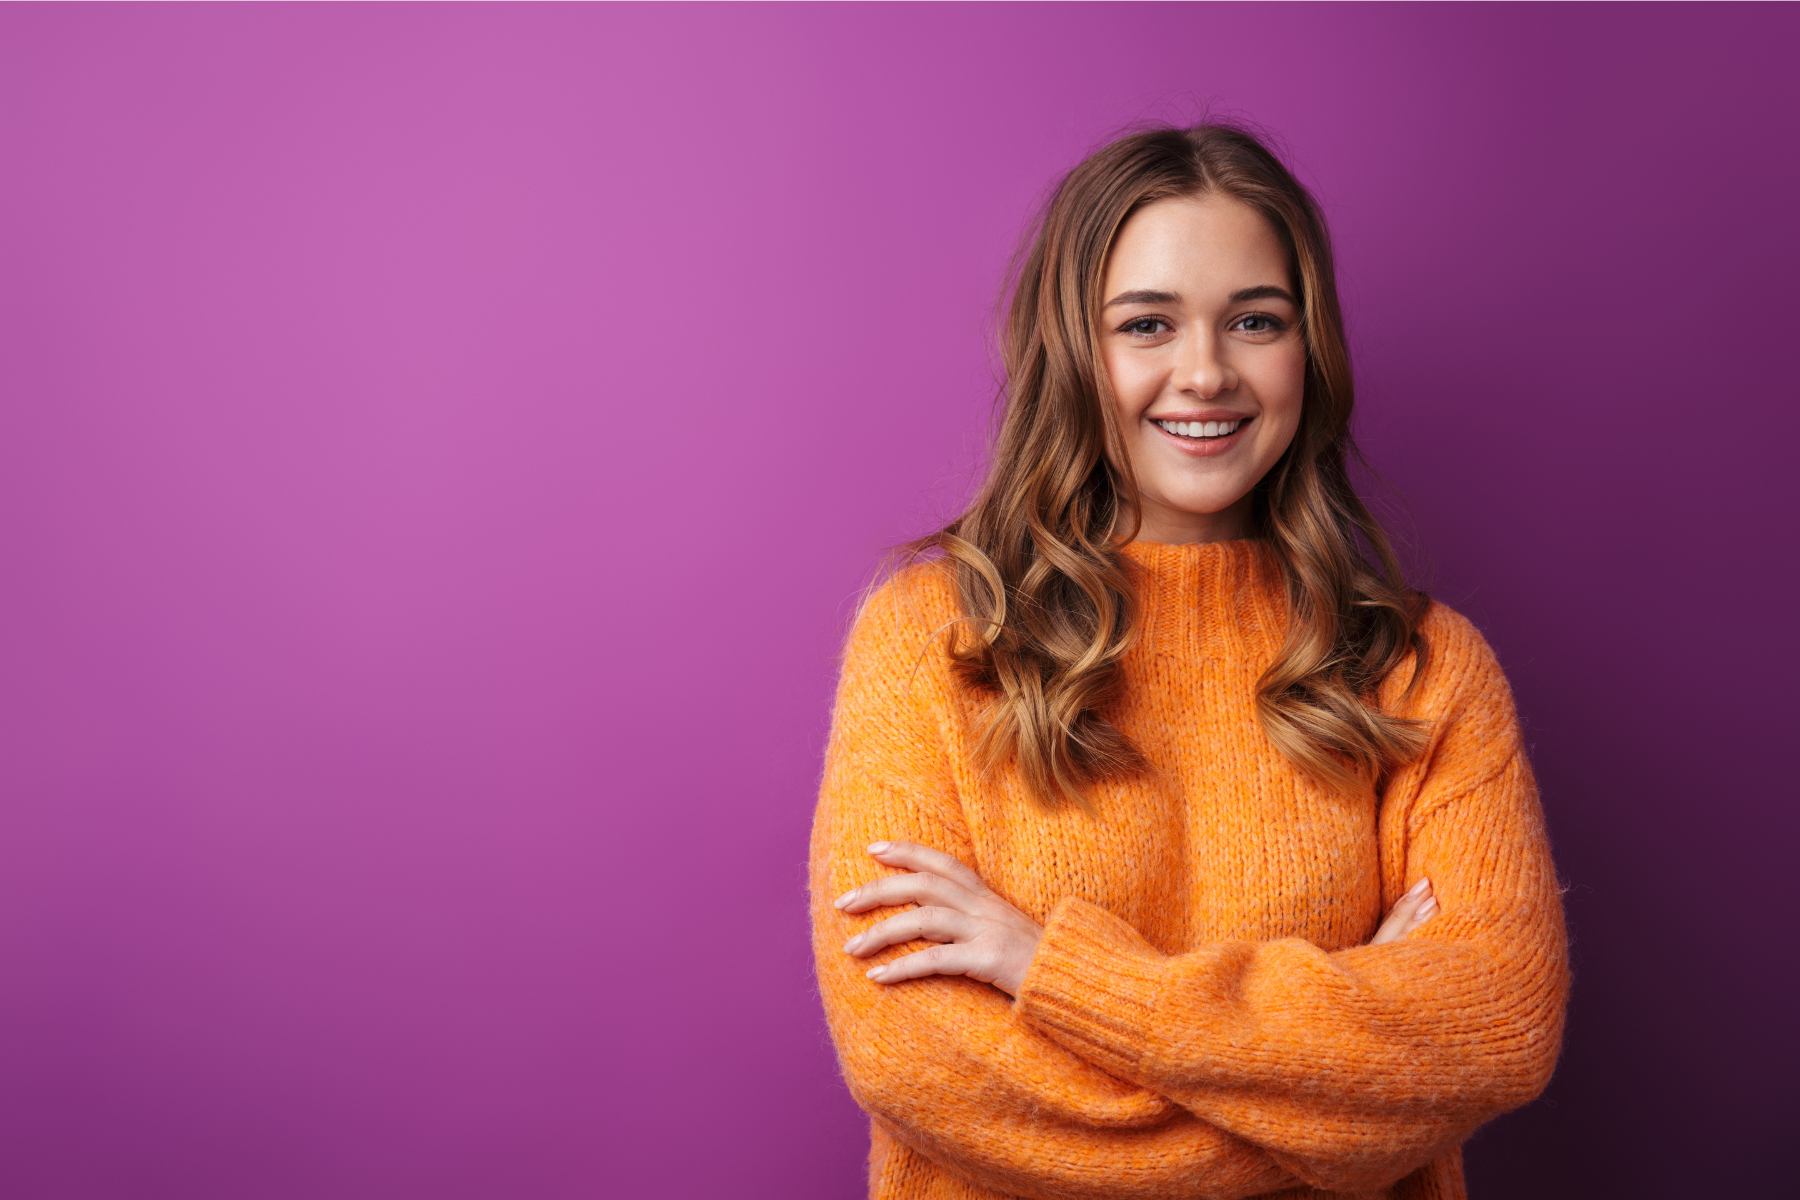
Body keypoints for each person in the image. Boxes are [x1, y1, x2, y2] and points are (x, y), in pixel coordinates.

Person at [809, 123, 1568, 1200]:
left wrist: (1054, 973)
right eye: (1147, 325)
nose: (1205, 373)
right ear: (1073, 351)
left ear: (1310, 352)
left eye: (1255, 321)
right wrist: (1343, 1093)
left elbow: (1496, 1027)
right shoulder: (932, 640)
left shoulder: (1423, 669)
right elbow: (920, 1064)